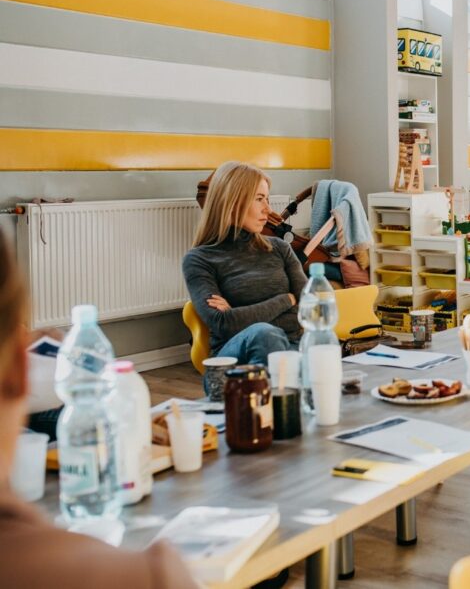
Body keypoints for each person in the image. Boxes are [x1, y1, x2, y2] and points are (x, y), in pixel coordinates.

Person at [0, 236, 198, 588]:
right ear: (18, 371)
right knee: (96, 420)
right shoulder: (142, 576)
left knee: (82, 417)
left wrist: (34, 337)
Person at [183, 161, 306, 370]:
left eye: (267, 199)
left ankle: (278, 394)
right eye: (259, 199)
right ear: (230, 202)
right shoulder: (199, 259)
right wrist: (286, 300)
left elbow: (309, 307)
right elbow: (223, 324)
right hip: (231, 363)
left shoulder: (279, 248)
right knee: (264, 334)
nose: (268, 209)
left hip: (293, 351)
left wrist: (238, 315)